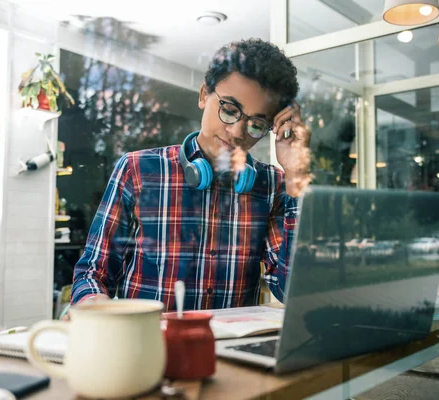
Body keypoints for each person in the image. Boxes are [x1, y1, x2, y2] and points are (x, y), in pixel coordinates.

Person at [69, 38, 311, 312]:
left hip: (227, 352)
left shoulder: (273, 186)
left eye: (256, 124)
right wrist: (93, 301)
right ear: (203, 95)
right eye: (229, 110)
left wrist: (295, 175)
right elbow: (93, 272)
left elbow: (293, 290)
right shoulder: (136, 170)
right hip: (149, 346)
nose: (236, 132)